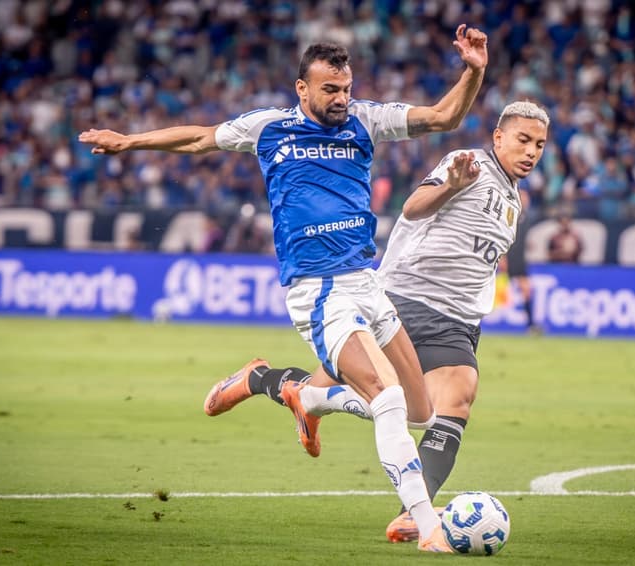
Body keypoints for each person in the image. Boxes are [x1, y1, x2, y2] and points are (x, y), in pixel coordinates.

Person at [80, 25, 488, 553]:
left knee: (419, 413)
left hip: (367, 282)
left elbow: (442, 117)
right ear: (302, 89)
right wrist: (131, 141)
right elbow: (201, 137)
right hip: (319, 290)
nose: (342, 99)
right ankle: (429, 529)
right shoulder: (269, 128)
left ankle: (293, 389)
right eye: (330, 90)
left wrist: (473, 71)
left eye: (345, 88)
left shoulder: (366, 119)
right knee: (386, 400)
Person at [204, 100, 550, 542]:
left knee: (455, 398)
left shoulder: (512, 199)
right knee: (328, 390)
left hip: (457, 321)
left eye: (538, 144)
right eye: (523, 140)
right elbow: (415, 206)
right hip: (403, 299)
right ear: (498, 137)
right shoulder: (469, 166)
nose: (531, 151)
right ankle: (261, 379)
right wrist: (451, 187)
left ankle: (413, 511)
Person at [501, 187, 539, 332]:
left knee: (526, 291)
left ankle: (531, 325)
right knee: (494, 292)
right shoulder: (510, 215)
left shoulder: (526, 218)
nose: (526, 200)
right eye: (523, 197)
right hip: (508, 259)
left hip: (519, 260)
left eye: (527, 198)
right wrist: (503, 257)